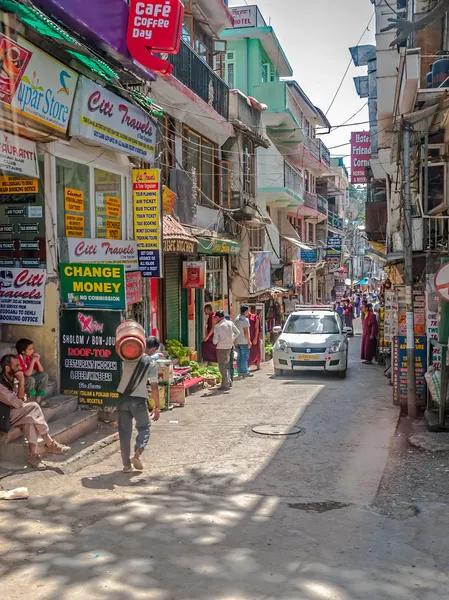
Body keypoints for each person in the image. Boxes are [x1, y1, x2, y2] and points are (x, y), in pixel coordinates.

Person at [0, 354, 70, 470]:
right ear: (7, 368)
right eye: (17, 365)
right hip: (4, 417)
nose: (20, 368)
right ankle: (49, 443)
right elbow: (18, 403)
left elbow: (22, 400)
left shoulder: (13, 379)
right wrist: (22, 382)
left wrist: (20, 384)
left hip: (14, 413)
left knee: (31, 419)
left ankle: (33, 456)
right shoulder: (1, 385)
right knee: (34, 407)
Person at [116, 336, 161, 473]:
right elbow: (154, 387)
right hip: (139, 400)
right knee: (144, 427)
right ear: (152, 348)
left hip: (122, 399)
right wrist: (157, 407)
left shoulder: (124, 358)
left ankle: (126, 465)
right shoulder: (151, 363)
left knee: (124, 433)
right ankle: (136, 455)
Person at [16, 338, 49, 407]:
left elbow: (41, 370)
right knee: (31, 379)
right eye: (30, 349)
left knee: (44, 375)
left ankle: (38, 400)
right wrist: (33, 361)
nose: (32, 351)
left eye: (32, 348)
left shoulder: (29, 357)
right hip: (19, 381)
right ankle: (32, 402)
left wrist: (37, 360)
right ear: (23, 351)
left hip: (27, 379)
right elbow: (27, 374)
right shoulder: (18, 358)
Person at [213, 310, 240, 391]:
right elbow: (237, 332)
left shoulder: (218, 326)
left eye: (216, 317)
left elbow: (215, 341)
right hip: (229, 347)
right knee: (226, 365)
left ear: (218, 317)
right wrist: (232, 339)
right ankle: (228, 381)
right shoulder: (230, 323)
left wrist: (217, 340)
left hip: (221, 348)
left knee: (222, 366)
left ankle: (225, 384)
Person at [234, 305, 253, 378]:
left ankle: (240, 372)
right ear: (245, 311)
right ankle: (245, 371)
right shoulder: (245, 320)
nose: (248, 312)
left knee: (239, 357)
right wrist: (249, 341)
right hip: (244, 341)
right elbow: (246, 332)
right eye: (247, 311)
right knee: (245, 357)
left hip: (238, 340)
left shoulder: (237, 319)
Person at [225, 314, 236, 384]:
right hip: (230, 346)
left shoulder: (223, 327)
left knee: (226, 364)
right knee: (230, 363)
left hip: (224, 347)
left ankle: (227, 379)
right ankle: (231, 378)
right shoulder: (231, 326)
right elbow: (237, 333)